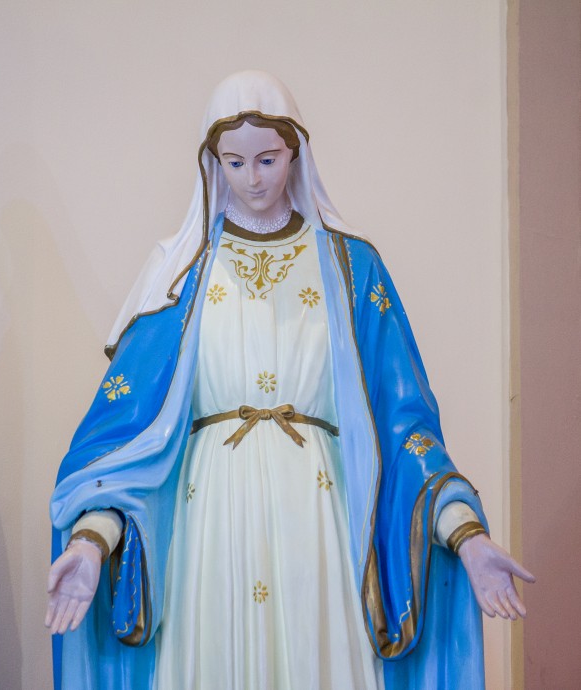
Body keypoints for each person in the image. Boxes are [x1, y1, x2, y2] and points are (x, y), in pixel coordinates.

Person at [45, 71, 534, 690]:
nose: (252, 178)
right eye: (235, 162)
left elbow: (403, 423)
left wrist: (463, 533)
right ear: (213, 161)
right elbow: (128, 435)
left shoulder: (351, 266)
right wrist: (92, 540)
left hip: (317, 513)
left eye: (268, 159)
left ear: (295, 152)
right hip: (209, 521)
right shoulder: (178, 273)